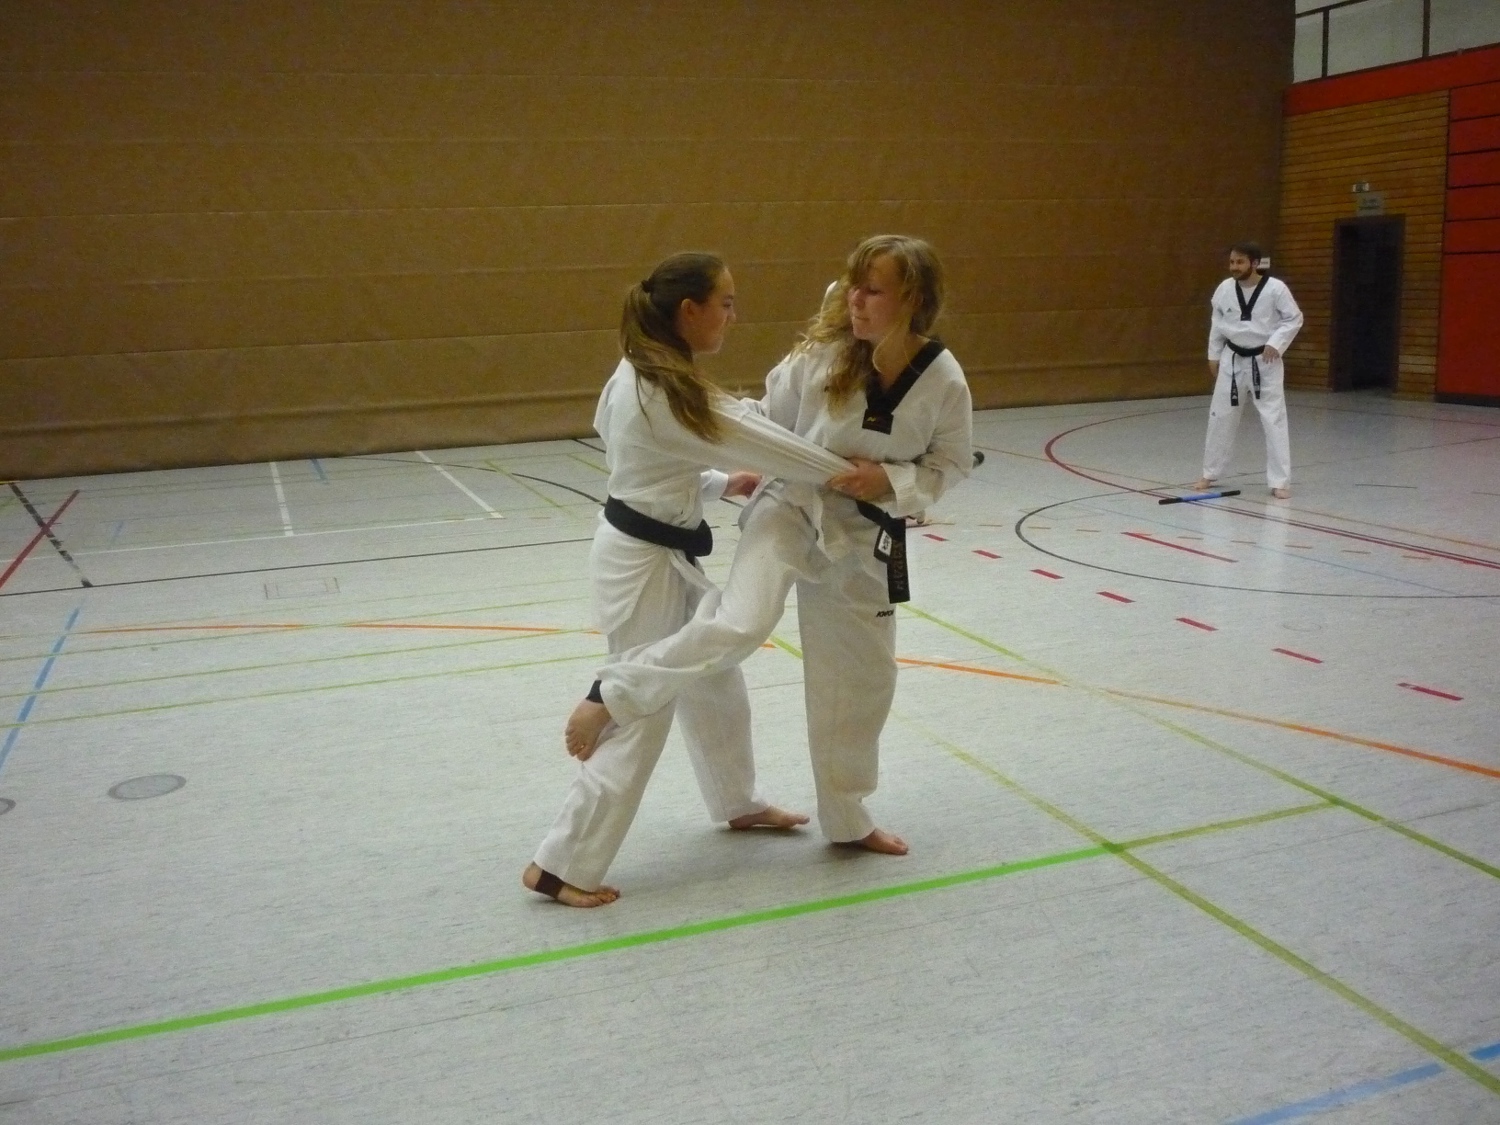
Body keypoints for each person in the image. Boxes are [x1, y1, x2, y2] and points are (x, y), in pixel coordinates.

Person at [566, 234, 973, 859]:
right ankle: (614, 694)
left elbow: (949, 464)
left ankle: (847, 816)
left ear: (912, 300)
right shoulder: (824, 353)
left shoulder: (943, 378)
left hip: (863, 531)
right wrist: (725, 447)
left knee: (861, 679)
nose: (855, 301)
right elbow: (767, 420)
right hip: (789, 505)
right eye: (854, 286)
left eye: (873, 291)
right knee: (742, 622)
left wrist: (891, 481)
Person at [523, 252, 854, 907]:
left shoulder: (642, 370)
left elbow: (636, 457)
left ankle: (738, 800)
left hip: (652, 545)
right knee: (640, 714)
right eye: (725, 303)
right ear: (689, 310)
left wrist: (715, 482)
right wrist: (858, 473)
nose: (733, 315)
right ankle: (559, 865)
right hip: (639, 565)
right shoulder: (672, 394)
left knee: (715, 680)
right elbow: (773, 444)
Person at [1195, 241, 1304, 499]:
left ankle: (1280, 481)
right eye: (1232, 262)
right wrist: (1213, 355)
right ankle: (1210, 472)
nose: (1234, 267)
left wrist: (1276, 343)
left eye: (1240, 262)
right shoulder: (1224, 289)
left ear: (1254, 264)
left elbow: (1294, 318)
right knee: (1220, 416)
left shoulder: (1276, 288)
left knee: (1273, 418)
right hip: (1232, 358)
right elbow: (1217, 323)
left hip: (1265, 361)